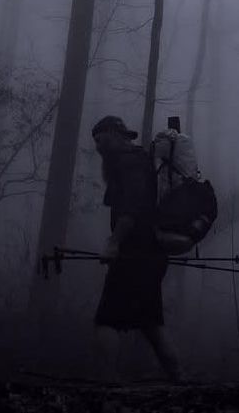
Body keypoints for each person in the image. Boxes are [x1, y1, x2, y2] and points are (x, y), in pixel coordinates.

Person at [91, 115, 181, 382]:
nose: (97, 146)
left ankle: (105, 383)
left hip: (135, 253)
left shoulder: (129, 164)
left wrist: (113, 243)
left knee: (106, 320)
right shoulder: (138, 161)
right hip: (151, 254)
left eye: (100, 138)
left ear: (115, 134)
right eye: (95, 141)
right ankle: (180, 379)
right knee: (151, 323)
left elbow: (130, 209)